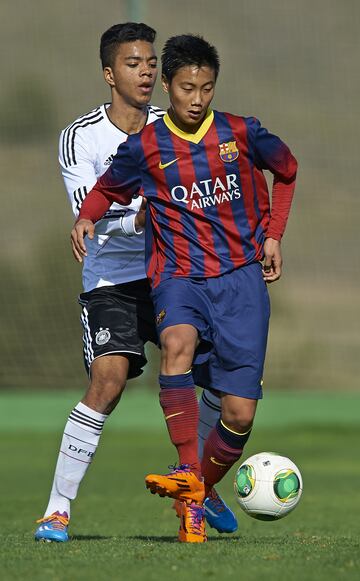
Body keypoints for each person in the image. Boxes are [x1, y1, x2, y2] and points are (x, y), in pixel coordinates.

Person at [71, 34, 298, 543]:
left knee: (238, 415)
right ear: (168, 88)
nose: (196, 100)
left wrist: (274, 234)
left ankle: (194, 490)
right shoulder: (147, 146)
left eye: (206, 88)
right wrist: (87, 218)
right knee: (176, 344)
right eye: (186, 88)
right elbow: (109, 187)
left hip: (241, 280)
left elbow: (286, 169)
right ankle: (185, 469)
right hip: (178, 275)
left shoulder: (241, 132)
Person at [35, 24, 234, 544]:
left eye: (150, 62)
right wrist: (140, 216)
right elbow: (88, 211)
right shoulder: (82, 137)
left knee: (219, 382)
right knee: (108, 381)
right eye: (133, 63)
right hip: (111, 281)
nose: (145, 71)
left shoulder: (175, 130)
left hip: (172, 272)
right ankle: (57, 510)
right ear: (109, 73)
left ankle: (198, 480)